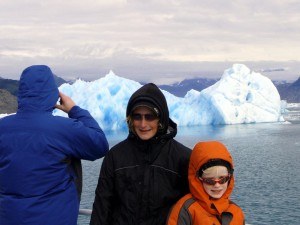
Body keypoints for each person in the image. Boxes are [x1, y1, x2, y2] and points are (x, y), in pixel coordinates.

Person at [0, 65, 109, 225]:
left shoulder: (3, 127)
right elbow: (99, 145)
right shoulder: (64, 128)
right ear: (53, 93)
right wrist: (74, 110)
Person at [90, 83, 191, 225]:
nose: (143, 124)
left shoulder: (183, 158)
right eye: (137, 117)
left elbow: (194, 209)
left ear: (161, 119)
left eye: (149, 117)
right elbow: (102, 206)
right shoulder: (115, 156)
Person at [166, 141, 245, 225]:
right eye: (210, 181)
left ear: (230, 177)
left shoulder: (236, 211)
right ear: (197, 179)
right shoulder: (186, 209)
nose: (217, 185)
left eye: (223, 179)